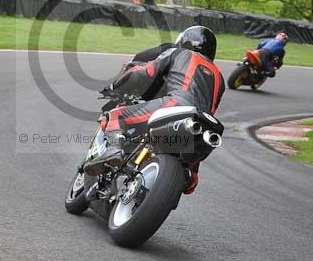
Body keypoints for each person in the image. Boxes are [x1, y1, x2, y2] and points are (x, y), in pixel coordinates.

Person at [90, 26, 225, 194]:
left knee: (115, 116)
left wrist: (115, 85)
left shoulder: (178, 53)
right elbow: (209, 112)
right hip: (200, 123)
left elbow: (145, 73)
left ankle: (113, 150)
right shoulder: (219, 77)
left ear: (185, 40)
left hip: (174, 105)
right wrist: (193, 170)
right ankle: (186, 173)